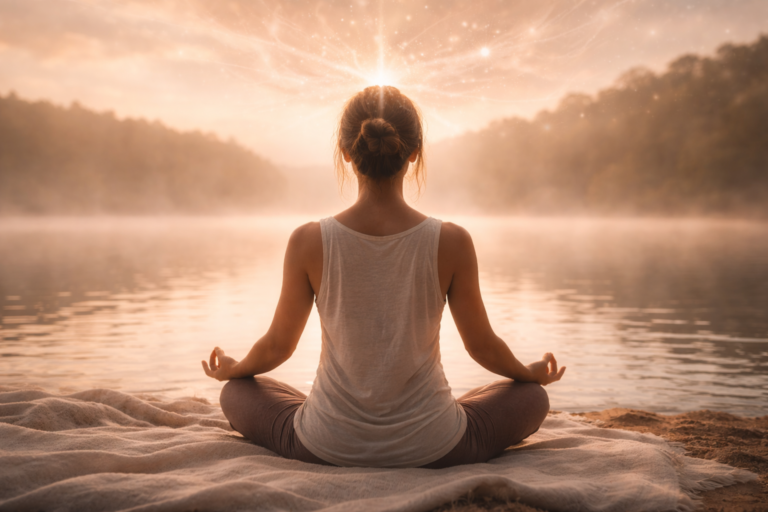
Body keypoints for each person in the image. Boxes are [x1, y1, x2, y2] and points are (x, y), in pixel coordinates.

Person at [201, 85, 565, 469]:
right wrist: (528, 373)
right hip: (436, 447)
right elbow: (482, 347)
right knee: (532, 397)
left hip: (325, 445)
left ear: (345, 153)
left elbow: (278, 347)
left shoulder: (308, 240)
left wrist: (234, 368)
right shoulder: (452, 240)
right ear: (414, 152)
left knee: (236, 392)